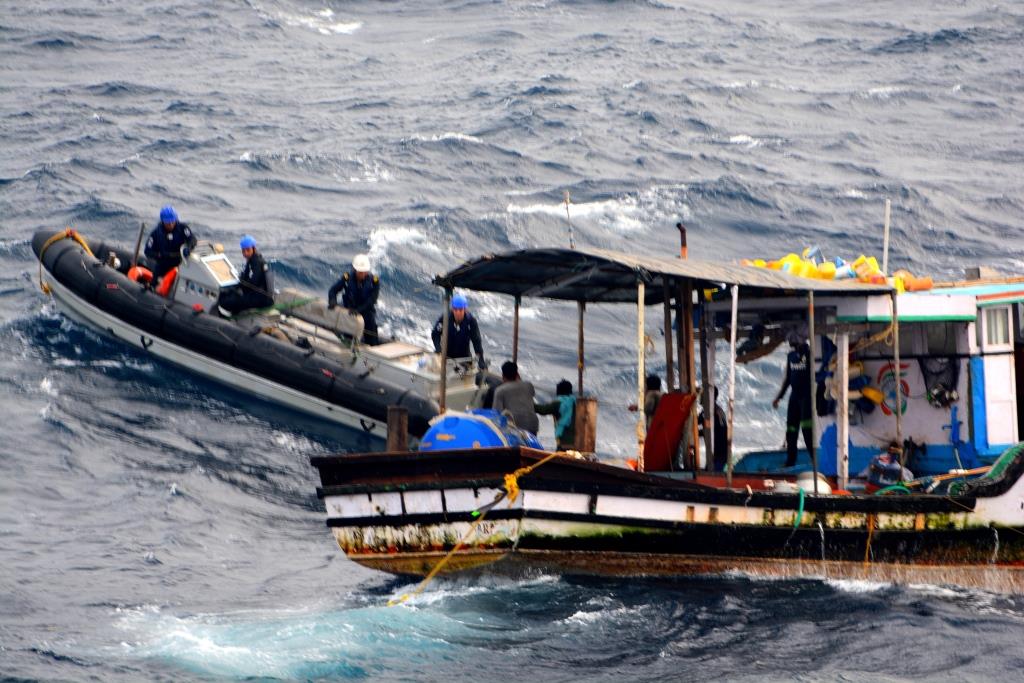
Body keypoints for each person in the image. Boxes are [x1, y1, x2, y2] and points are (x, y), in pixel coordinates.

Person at [772, 331, 813, 467]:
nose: (790, 341)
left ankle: (815, 459)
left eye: (793, 338)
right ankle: (790, 460)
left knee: (807, 429)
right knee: (791, 429)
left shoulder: (810, 354)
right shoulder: (790, 356)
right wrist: (779, 397)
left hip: (807, 396)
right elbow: (788, 379)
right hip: (794, 396)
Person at [328, 253, 379, 344]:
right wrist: (332, 301)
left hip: (366, 314)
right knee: (347, 339)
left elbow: (372, 300)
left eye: (364, 271)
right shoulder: (347, 278)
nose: (362, 274)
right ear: (355, 269)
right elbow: (333, 290)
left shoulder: (374, 282)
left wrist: (359, 310)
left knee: (372, 339)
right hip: (350, 314)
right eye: (360, 271)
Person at [218, 235, 275, 315]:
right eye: (243, 251)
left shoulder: (256, 262)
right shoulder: (255, 259)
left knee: (224, 301)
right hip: (264, 297)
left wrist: (237, 286)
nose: (245, 253)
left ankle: (233, 317)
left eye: (248, 250)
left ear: (253, 248)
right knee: (233, 295)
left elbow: (252, 283)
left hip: (261, 299)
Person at [431, 294, 486, 368]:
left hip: (464, 358)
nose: (458, 313)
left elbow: (477, 341)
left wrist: (481, 360)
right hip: (446, 356)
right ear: (452, 309)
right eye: (455, 309)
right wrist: (438, 349)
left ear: (465, 309)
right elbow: (435, 334)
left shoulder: (471, 321)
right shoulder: (445, 318)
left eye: (460, 310)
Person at [144, 204, 197, 280]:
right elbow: (147, 251)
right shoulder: (155, 234)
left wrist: (188, 247)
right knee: (155, 282)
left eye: (173, 221)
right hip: (164, 265)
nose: (171, 225)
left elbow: (192, 239)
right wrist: (160, 255)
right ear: (163, 222)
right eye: (168, 223)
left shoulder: (183, 228)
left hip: (180, 262)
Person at [492, 361, 539, 434]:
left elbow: (497, 413)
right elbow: (531, 395)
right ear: (517, 374)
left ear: (503, 375)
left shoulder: (500, 390)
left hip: (515, 426)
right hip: (533, 425)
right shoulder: (529, 385)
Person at [536, 379, 576, 451]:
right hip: (578, 441)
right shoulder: (576, 403)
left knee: (561, 455)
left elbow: (543, 410)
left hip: (564, 440)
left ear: (558, 391)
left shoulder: (559, 403)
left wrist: (530, 404)